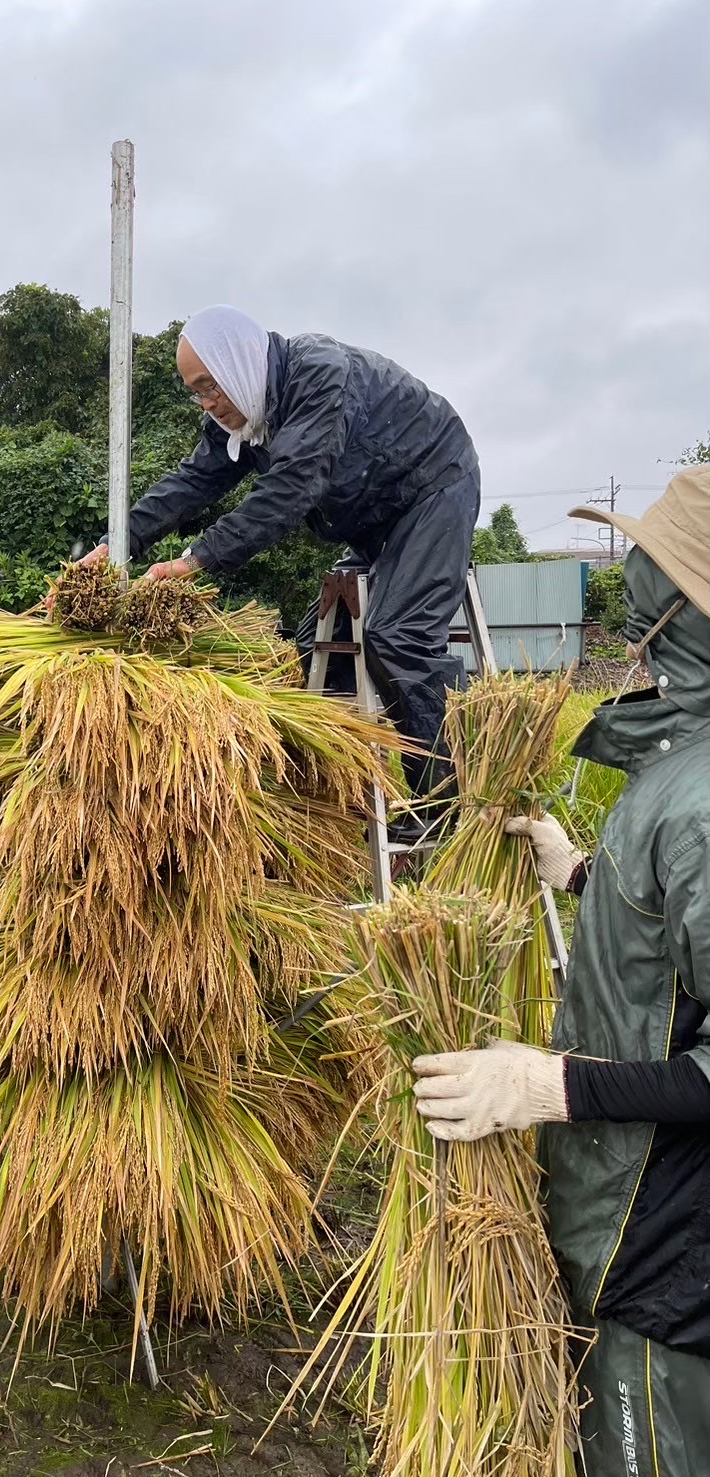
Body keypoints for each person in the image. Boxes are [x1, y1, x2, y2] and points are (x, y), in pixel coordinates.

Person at [410, 467, 710, 1476]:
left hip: (667, 1242)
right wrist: (580, 870)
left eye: (652, 577)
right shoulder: (682, 749)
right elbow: (680, 940)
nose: (631, 602)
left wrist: (547, 1084)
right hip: (633, 1208)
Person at [81, 304, 481, 827]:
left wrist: (193, 561)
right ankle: (342, 809)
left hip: (431, 488)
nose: (207, 403)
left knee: (396, 637)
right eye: (196, 393)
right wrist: (119, 541)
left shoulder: (317, 375)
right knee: (323, 649)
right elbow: (193, 481)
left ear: (237, 363)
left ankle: (446, 807)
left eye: (209, 386)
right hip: (373, 518)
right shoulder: (246, 413)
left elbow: (290, 490)